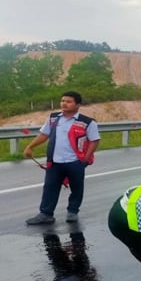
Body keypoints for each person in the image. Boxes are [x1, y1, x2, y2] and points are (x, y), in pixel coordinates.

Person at [24, 91, 101, 225]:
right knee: (50, 187)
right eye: (62, 101)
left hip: (75, 161)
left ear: (77, 105)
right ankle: (46, 214)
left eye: (68, 101)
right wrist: (30, 146)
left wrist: (85, 158)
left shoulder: (87, 122)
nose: (64, 103)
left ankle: (72, 211)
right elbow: (44, 134)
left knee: (77, 188)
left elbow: (94, 140)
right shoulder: (53, 118)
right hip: (55, 161)